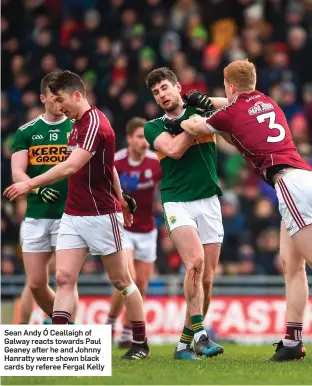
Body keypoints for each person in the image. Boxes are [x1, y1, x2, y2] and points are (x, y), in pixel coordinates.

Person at [171, 59, 312, 362]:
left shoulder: (232, 111)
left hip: (289, 184)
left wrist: (183, 117)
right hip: (303, 177)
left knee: (306, 261)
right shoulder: (266, 101)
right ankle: (292, 341)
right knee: (291, 264)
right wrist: (210, 102)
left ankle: (292, 342)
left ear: (230, 85)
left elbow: (197, 125)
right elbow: (232, 106)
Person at [5, 70, 150, 360]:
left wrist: (30, 183)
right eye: (54, 101)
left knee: (122, 281)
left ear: (76, 95)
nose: (59, 108)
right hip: (72, 213)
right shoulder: (77, 123)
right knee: (63, 277)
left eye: (62, 101)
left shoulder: (95, 123)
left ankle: (140, 342)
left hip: (100, 213)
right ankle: (61, 347)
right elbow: (110, 166)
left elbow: (72, 167)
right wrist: (123, 198)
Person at [144, 67, 226, 360]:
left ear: (178, 87)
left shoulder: (197, 109)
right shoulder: (152, 127)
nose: (162, 95)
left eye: (165, 87)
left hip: (209, 201)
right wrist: (197, 124)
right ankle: (202, 336)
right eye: (156, 92)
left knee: (206, 279)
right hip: (177, 201)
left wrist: (206, 102)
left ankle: (183, 344)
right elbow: (175, 151)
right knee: (195, 264)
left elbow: (234, 105)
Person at [11, 72, 78, 324]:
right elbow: (18, 172)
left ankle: (66, 335)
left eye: (63, 97)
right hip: (37, 214)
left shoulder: (77, 127)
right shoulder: (26, 131)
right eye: (55, 98)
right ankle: (65, 322)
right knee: (36, 283)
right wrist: (36, 189)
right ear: (43, 98)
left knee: (66, 279)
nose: (61, 103)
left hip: (70, 214)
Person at [107, 117, 162, 348]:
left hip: (148, 230)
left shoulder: (156, 162)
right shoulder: (116, 162)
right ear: (129, 139)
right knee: (128, 278)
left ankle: (127, 331)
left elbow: (167, 185)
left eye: (146, 138)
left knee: (142, 284)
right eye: (140, 137)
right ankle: (110, 323)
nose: (145, 142)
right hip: (123, 227)